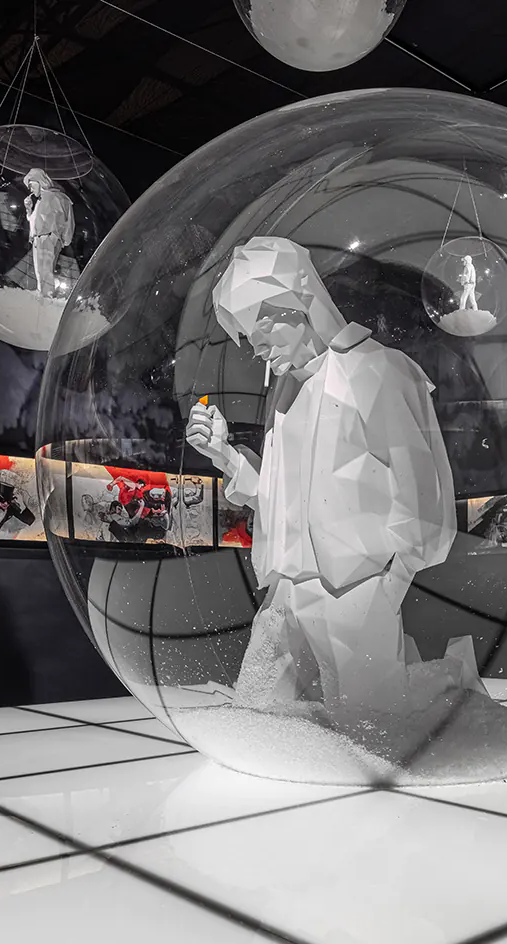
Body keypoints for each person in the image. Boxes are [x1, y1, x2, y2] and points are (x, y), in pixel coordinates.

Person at [187, 236, 458, 716]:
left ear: (299, 300)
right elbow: (280, 499)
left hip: (354, 590)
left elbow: (423, 493)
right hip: (286, 592)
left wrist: (386, 583)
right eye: (248, 334)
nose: (257, 347)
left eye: (262, 325)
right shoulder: (286, 395)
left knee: (370, 729)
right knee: (258, 718)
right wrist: (226, 456)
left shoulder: (378, 372)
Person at [23, 168, 75, 298]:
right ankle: (43, 295)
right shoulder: (41, 200)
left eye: (31, 184)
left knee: (45, 271)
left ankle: (47, 296)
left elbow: (68, 220)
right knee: (40, 272)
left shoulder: (57, 197)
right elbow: (35, 222)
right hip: (39, 239)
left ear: (40, 181)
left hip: (48, 238)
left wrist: (65, 239)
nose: (30, 189)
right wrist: (29, 210)